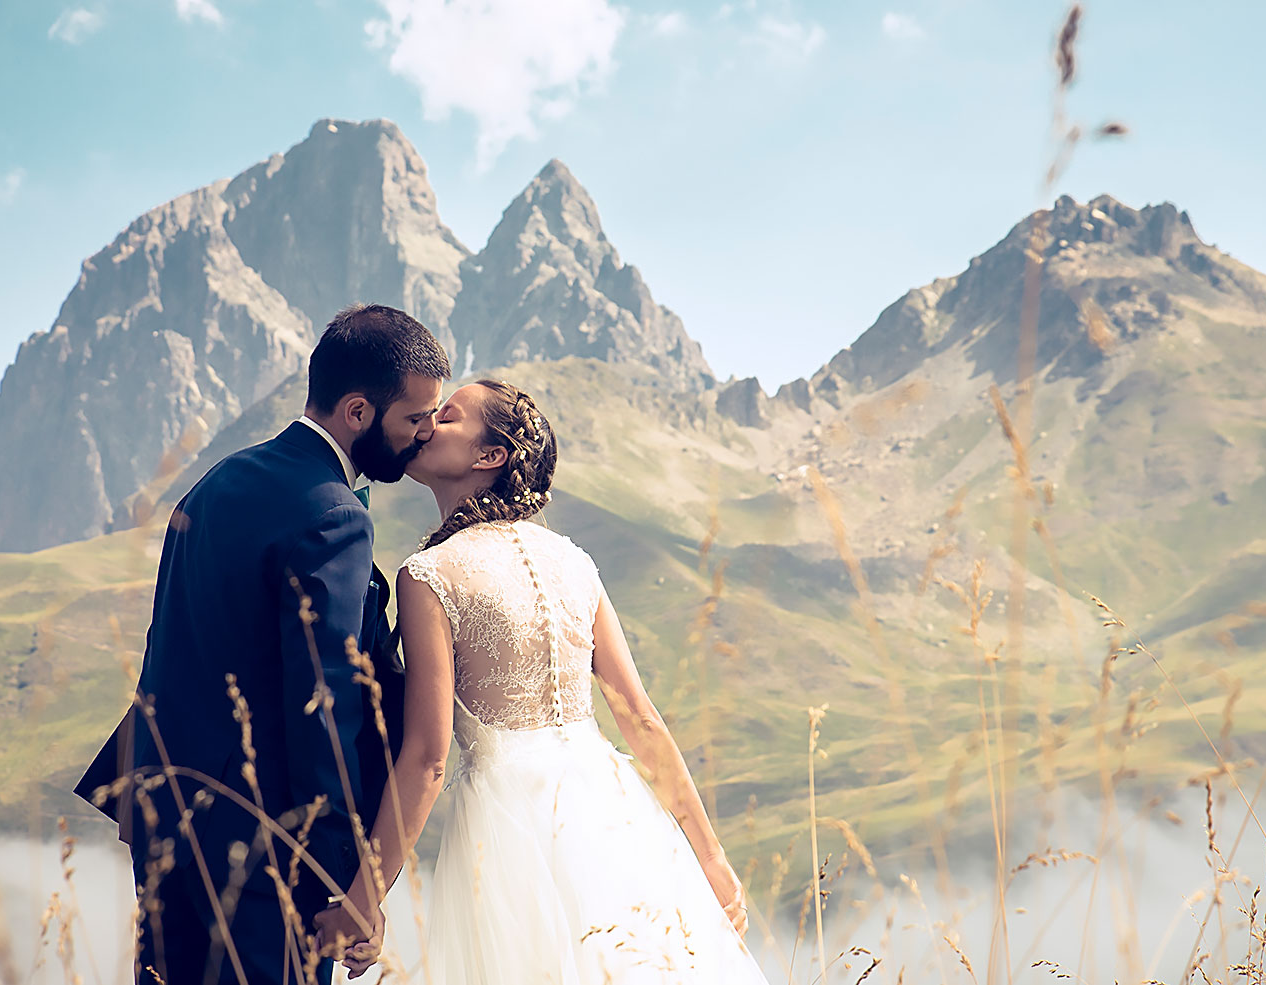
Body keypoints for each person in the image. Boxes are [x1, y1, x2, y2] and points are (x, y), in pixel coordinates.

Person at [321, 379, 769, 983]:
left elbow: (427, 759)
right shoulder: (574, 562)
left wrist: (364, 898)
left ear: (490, 456)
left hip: (509, 825)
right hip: (612, 808)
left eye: (446, 418)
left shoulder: (427, 574)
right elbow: (640, 719)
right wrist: (709, 861)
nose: (425, 425)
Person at [73, 303, 448, 985]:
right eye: (415, 418)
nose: (425, 434)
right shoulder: (334, 513)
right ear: (359, 412)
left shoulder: (217, 481)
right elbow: (324, 700)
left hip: (167, 822)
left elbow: (171, 640)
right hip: (260, 845)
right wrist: (340, 872)